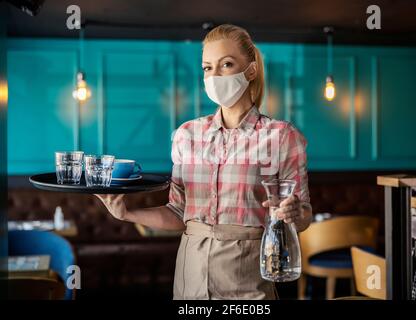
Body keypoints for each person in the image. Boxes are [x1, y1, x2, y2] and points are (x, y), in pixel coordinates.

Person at [95, 24, 312, 300]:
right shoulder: (187, 135)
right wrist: (126, 213)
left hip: (247, 280)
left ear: (251, 70)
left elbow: (303, 215)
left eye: (226, 64)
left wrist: (294, 213)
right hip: (190, 278)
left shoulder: (281, 136)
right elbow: (178, 212)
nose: (215, 75)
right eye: (208, 68)